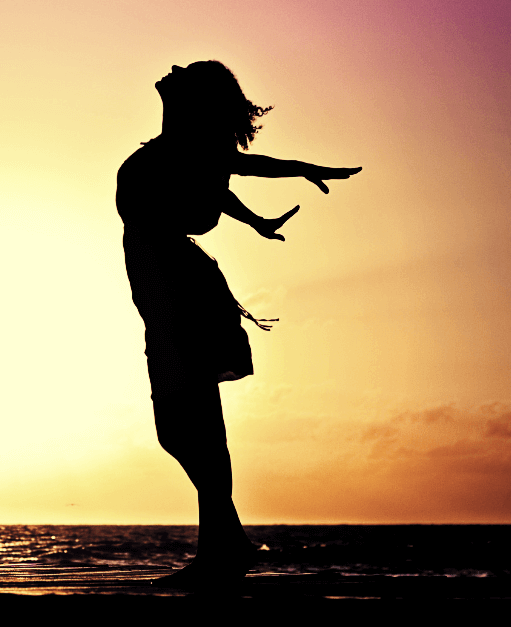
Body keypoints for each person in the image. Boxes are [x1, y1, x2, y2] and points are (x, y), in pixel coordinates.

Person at [117, 61, 360, 587]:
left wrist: (301, 168)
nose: (173, 68)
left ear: (196, 99)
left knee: (188, 423)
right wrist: (256, 222)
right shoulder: (181, 149)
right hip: (169, 286)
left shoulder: (192, 146)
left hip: (177, 289)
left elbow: (249, 168)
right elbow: (216, 187)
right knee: (186, 427)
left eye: (186, 73)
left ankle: (223, 550)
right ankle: (226, 545)